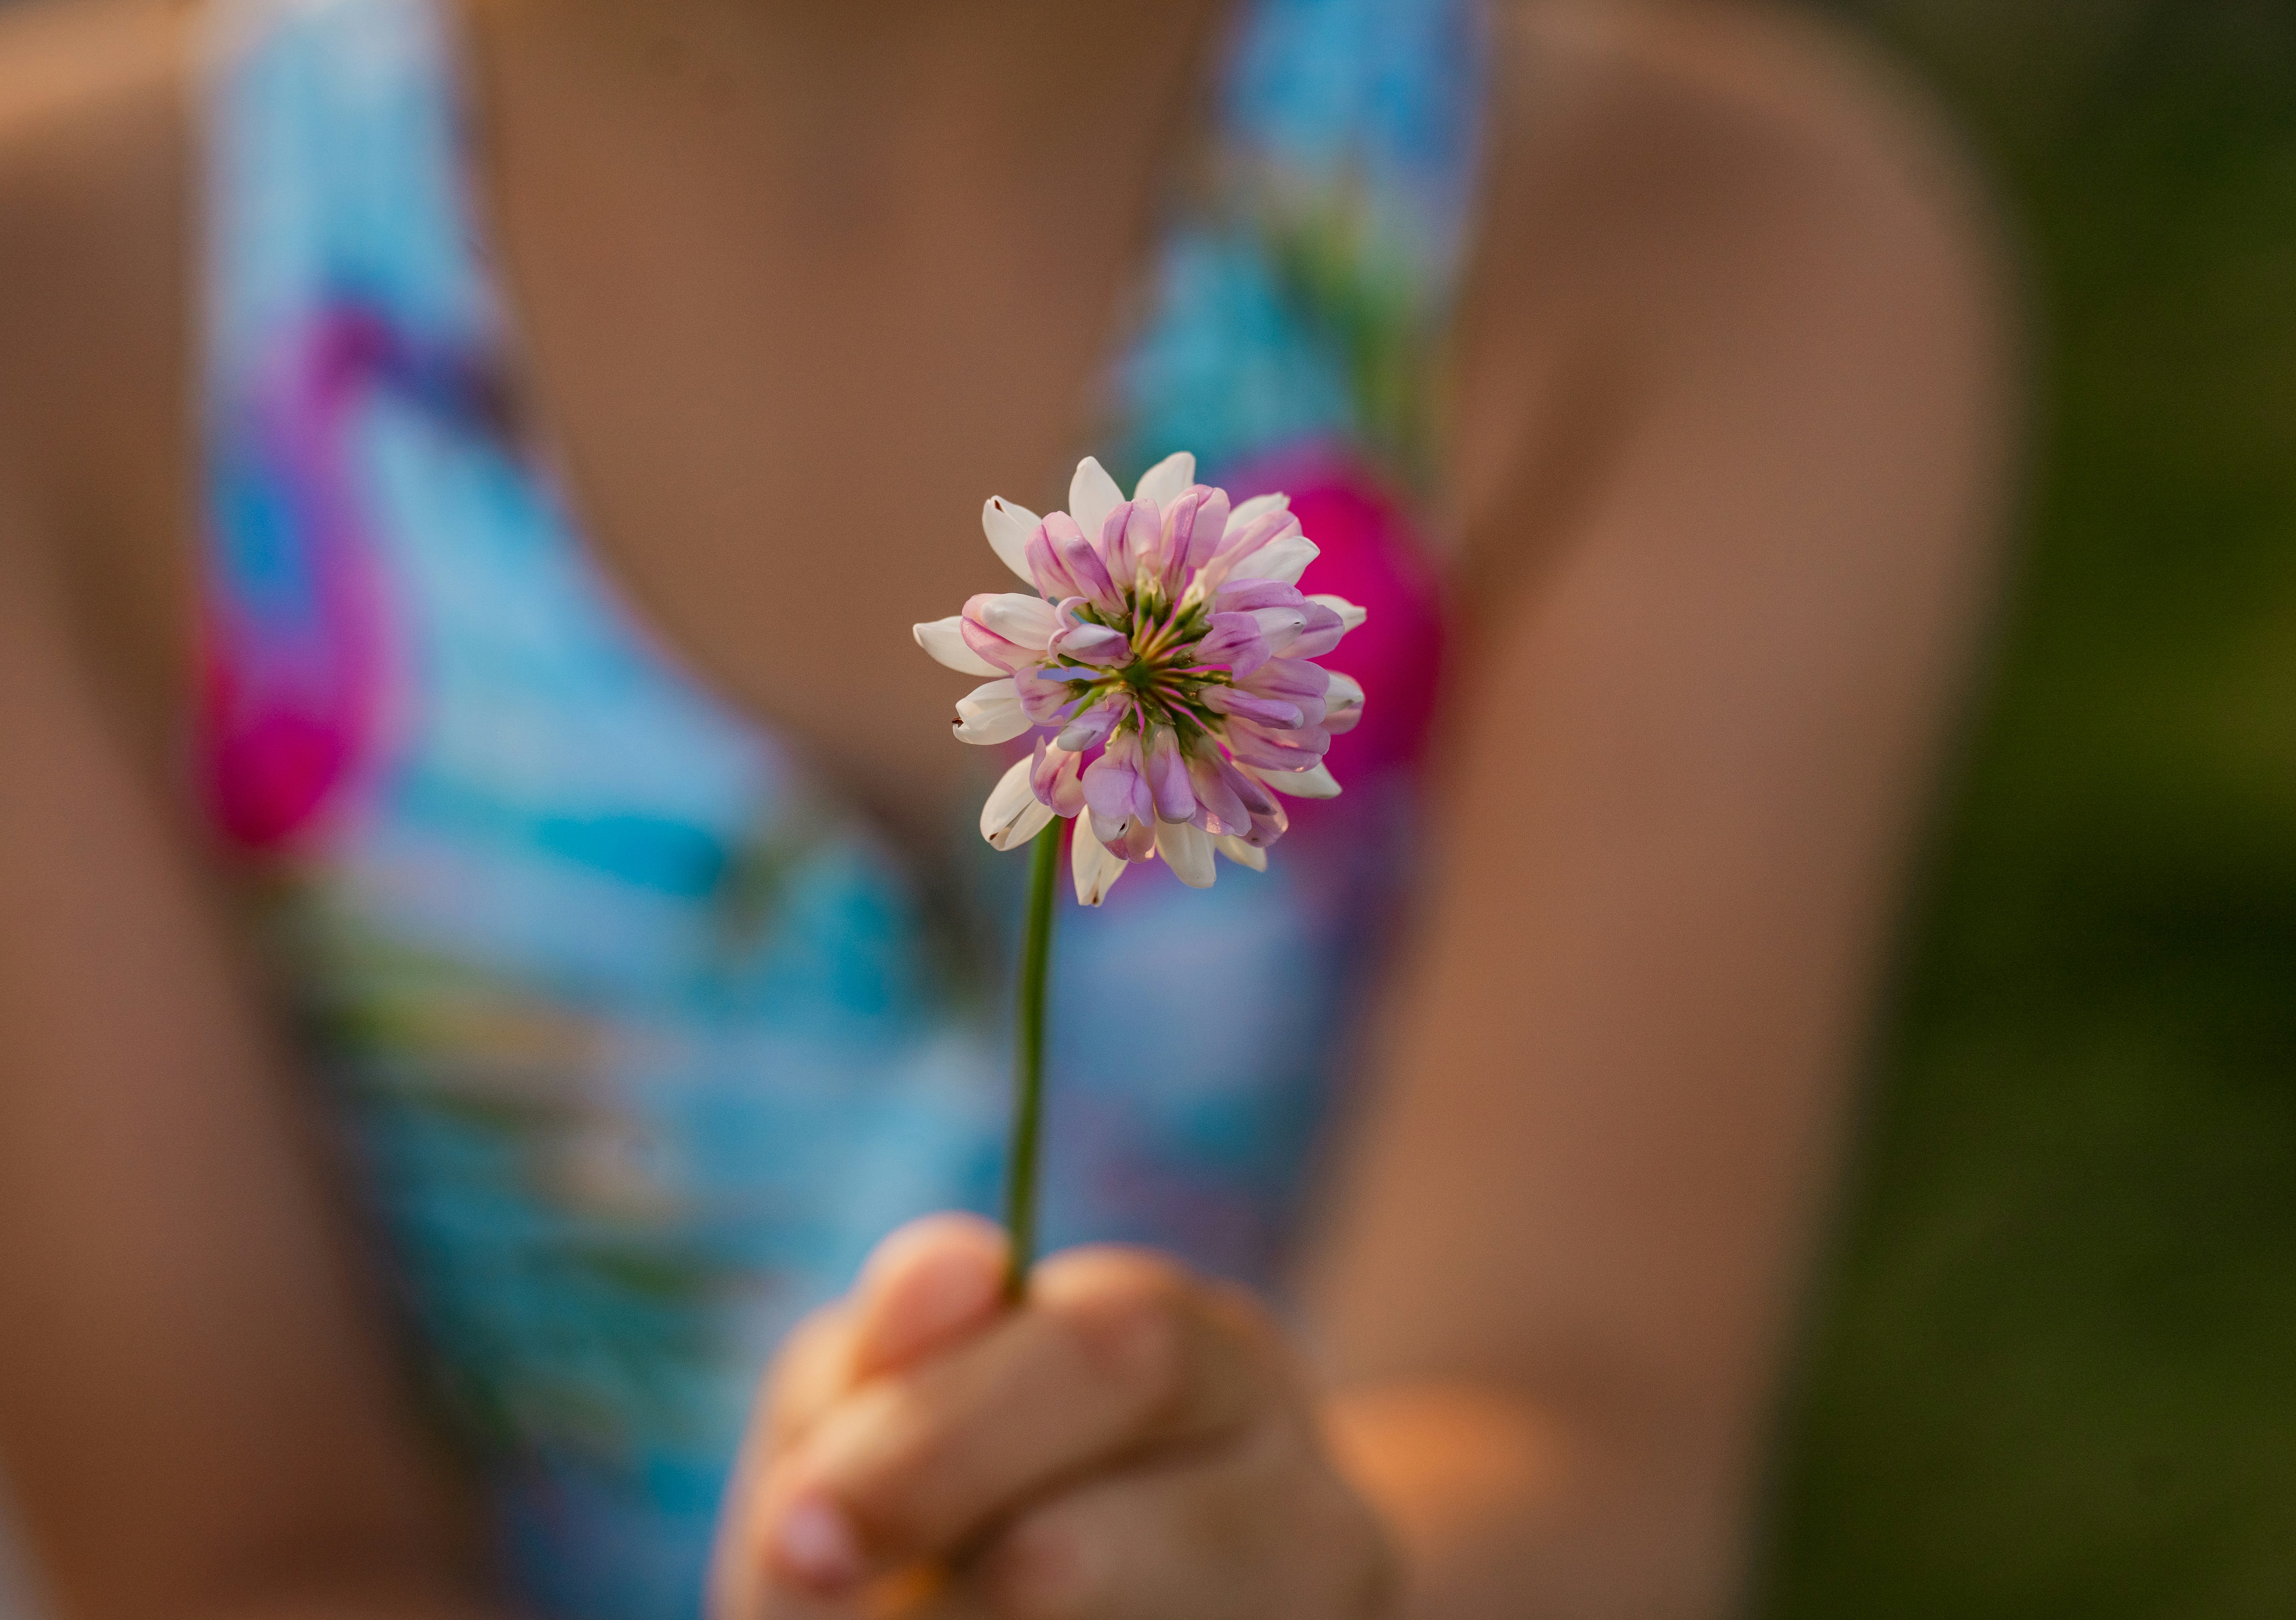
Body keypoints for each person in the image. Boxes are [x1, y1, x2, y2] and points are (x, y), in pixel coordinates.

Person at [0, 0, 2012, 1614]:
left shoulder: (1705, 242)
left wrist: (1290, 1561)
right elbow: (234, 1551)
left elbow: (1572, 1431)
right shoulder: (79, 283)